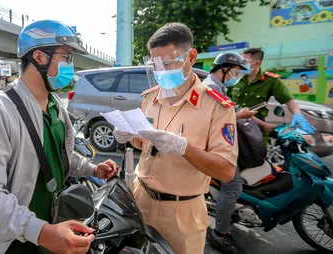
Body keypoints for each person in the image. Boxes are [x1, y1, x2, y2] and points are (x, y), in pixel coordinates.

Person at [0, 20, 119, 254]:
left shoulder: (55, 104)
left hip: (52, 226)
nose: (71, 66)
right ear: (39, 57)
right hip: (12, 239)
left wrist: (92, 169)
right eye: (66, 57)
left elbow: (61, 156)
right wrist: (42, 232)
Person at [114, 23, 238, 254]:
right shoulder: (150, 98)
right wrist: (129, 136)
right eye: (155, 64)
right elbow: (146, 143)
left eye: (168, 63)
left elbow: (226, 171)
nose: (161, 70)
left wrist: (184, 147)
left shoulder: (216, 107)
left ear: (191, 57)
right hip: (140, 198)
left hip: (182, 211)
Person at [203, 52, 262, 253]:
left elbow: (227, 110)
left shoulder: (218, 87)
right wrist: (240, 114)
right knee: (233, 186)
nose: (236, 76)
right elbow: (216, 118)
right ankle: (219, 233)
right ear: (225, 69)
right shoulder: (211, 87)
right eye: (235, 72)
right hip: (214, 146)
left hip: (223, 142)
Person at [228, 48, 316, 145]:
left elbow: (289, 100)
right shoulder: (235, 78)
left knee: (256, 158)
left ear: (258, 62)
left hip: (256, 129)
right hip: (233, 127)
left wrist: (298, 115)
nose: (241, 64)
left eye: (245, 61)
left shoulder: (270, 80)